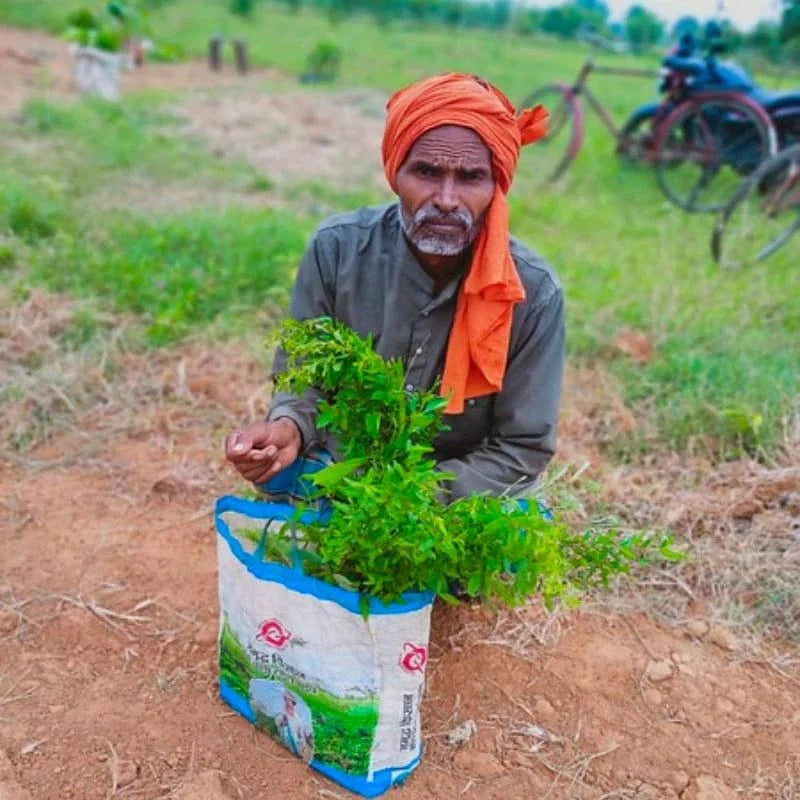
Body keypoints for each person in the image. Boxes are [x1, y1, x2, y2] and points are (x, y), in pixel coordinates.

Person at [225, 73, 564, 502]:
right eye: (426, 171)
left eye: (470, 177)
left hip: (455, 495)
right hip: (348, 466)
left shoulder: (534, 293)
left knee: (514, 515)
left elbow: (522, 447)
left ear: (496, 186)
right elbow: (302, 380)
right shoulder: (337, 250)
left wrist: (411, 497)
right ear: (395, 173)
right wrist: (288, 426)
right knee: (285, 478)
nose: (446, 198)